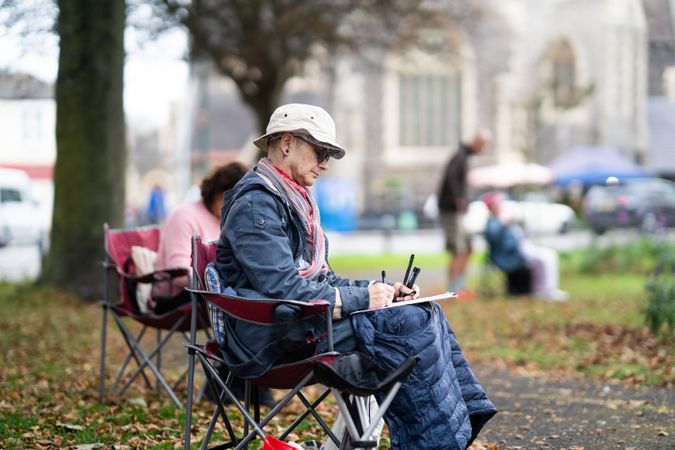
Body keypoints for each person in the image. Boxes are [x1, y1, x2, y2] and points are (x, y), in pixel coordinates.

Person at [212, 103, 496, 449]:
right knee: (408, 325)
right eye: (321, 151)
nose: (326, 163)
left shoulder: (291, 199)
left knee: (423, 312)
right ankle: (433, 442)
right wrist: (363, 299)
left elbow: (322, 280)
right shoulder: (258, 203)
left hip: (298, 321)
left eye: (330, 154)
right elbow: (281, 287)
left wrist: (382, 290)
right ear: (286, 143)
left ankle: (452, 431)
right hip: (270, 336)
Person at [482, 191, 568, 301]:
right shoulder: (493, 222)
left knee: (549, 255)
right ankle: (544, 291)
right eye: (498, 203)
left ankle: (547, 289)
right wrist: (503, 223)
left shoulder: (502, 219)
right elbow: (494, 236)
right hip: (511, 255)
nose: (501, 205)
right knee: (545, 258)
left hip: (521, 249)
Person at [437, 129, 491, 299]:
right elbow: (451, 177)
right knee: (458, 250)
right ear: (476, 142)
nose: (483, 150)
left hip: (458, 211)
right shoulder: (459, 156)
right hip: (451, 211)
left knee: (468, 247)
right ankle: (452, 289)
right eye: (483, 146)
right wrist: (458, 199)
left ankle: (460, 284)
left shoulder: (464, 157)